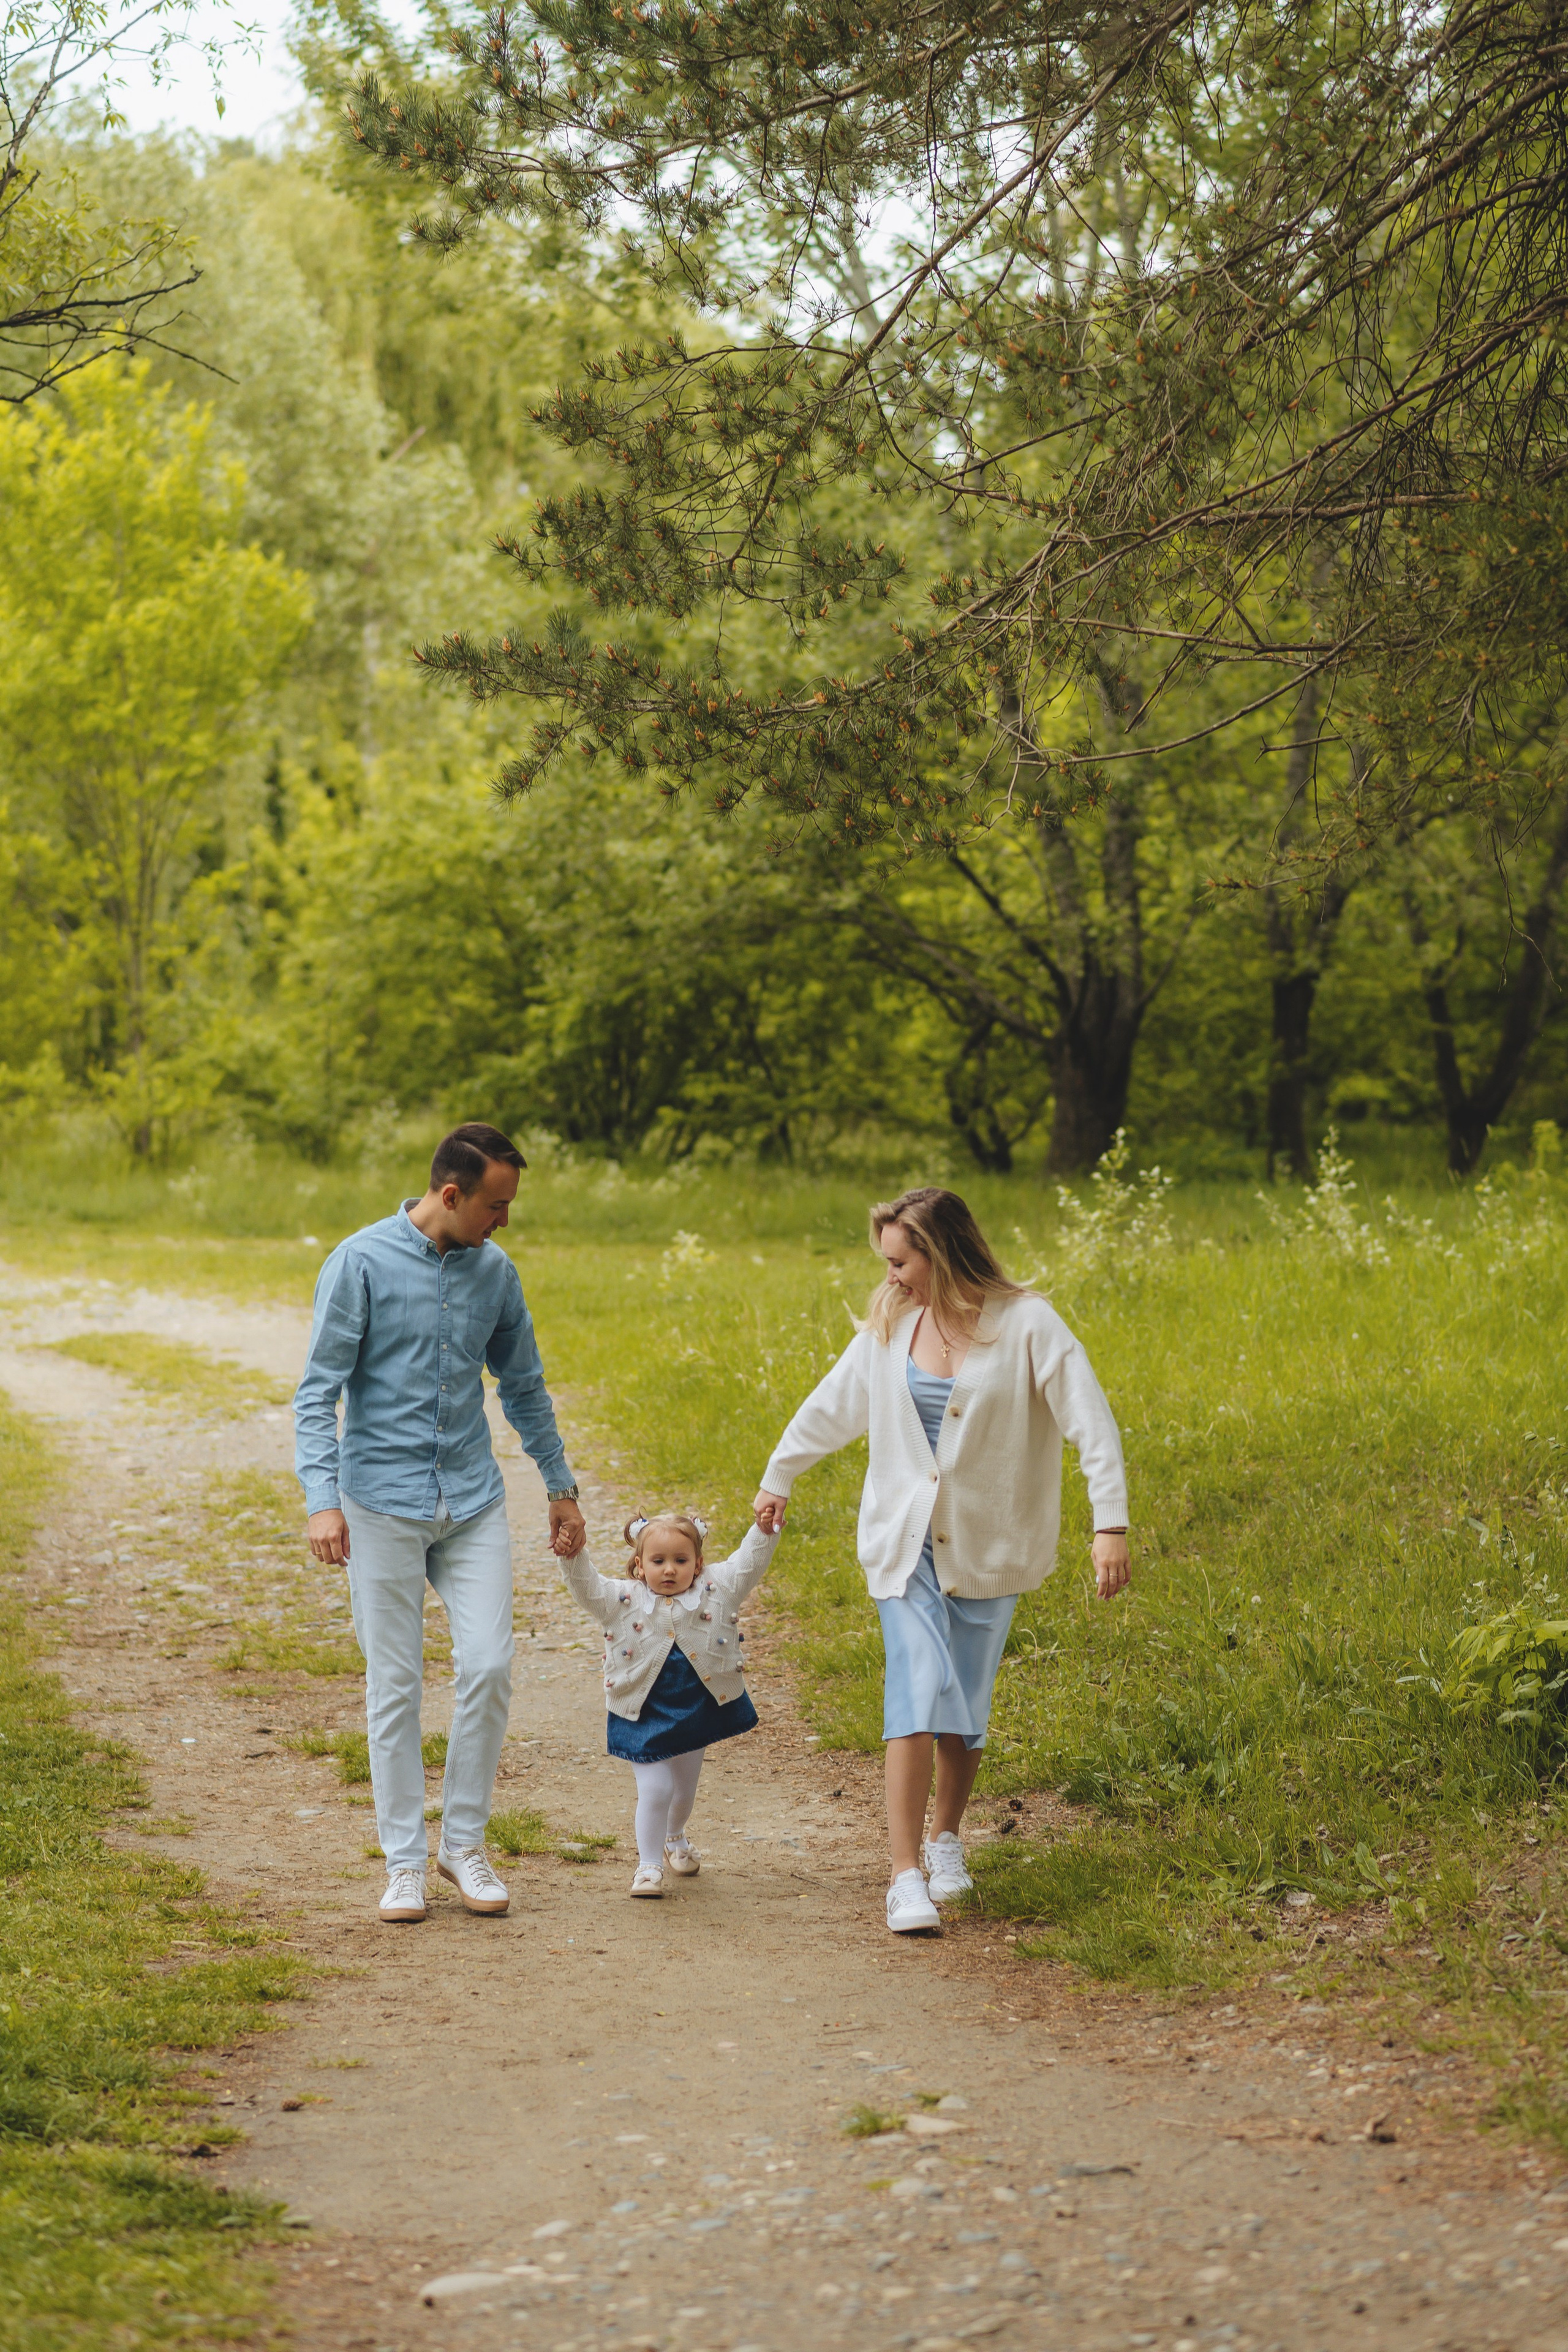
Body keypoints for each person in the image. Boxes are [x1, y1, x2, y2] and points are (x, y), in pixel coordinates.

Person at [752, 1186, 1129, 1936]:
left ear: (940, 1252)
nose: (890, 1277)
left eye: (900, 1262)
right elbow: (834, 1402)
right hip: (904, 1544)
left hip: (989, 1544)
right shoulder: (895, 1324)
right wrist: (779, 1473)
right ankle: (904, 1876)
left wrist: (1109, 1523)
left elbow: (1091, 1421)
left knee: (965, 1704)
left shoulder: (1028, 1324)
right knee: (918, 1682)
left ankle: (945, 1838)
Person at [294, 1121, 587, 1925]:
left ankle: (463, 1845)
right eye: (496, 1205)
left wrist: (559, 1485)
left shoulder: (497, 1273)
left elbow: (523, 1386)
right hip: (379, 1504)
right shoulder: (358, 1262)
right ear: (451, 1194)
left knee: (489, 1666)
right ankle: (404, 1864)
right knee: (394, 1686)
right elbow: (317, 1392)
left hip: (471, 1501)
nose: (505, 1220)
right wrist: (322, 1498)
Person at [560, 1509, 778, 1898]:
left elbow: (749, 1563)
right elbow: (585, 1586)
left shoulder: (718, 1588)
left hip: (697, 1709)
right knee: (657, 1788)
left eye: (681, 1560)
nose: (670, 1570)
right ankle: (648, 1867)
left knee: (683, 1791)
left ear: (698, 1564)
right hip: (641, 1711)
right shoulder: (621, 1600)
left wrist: (763, 1530)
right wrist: (572, 1554)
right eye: (658, 1561)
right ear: (639, 1565)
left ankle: (674, 1836)